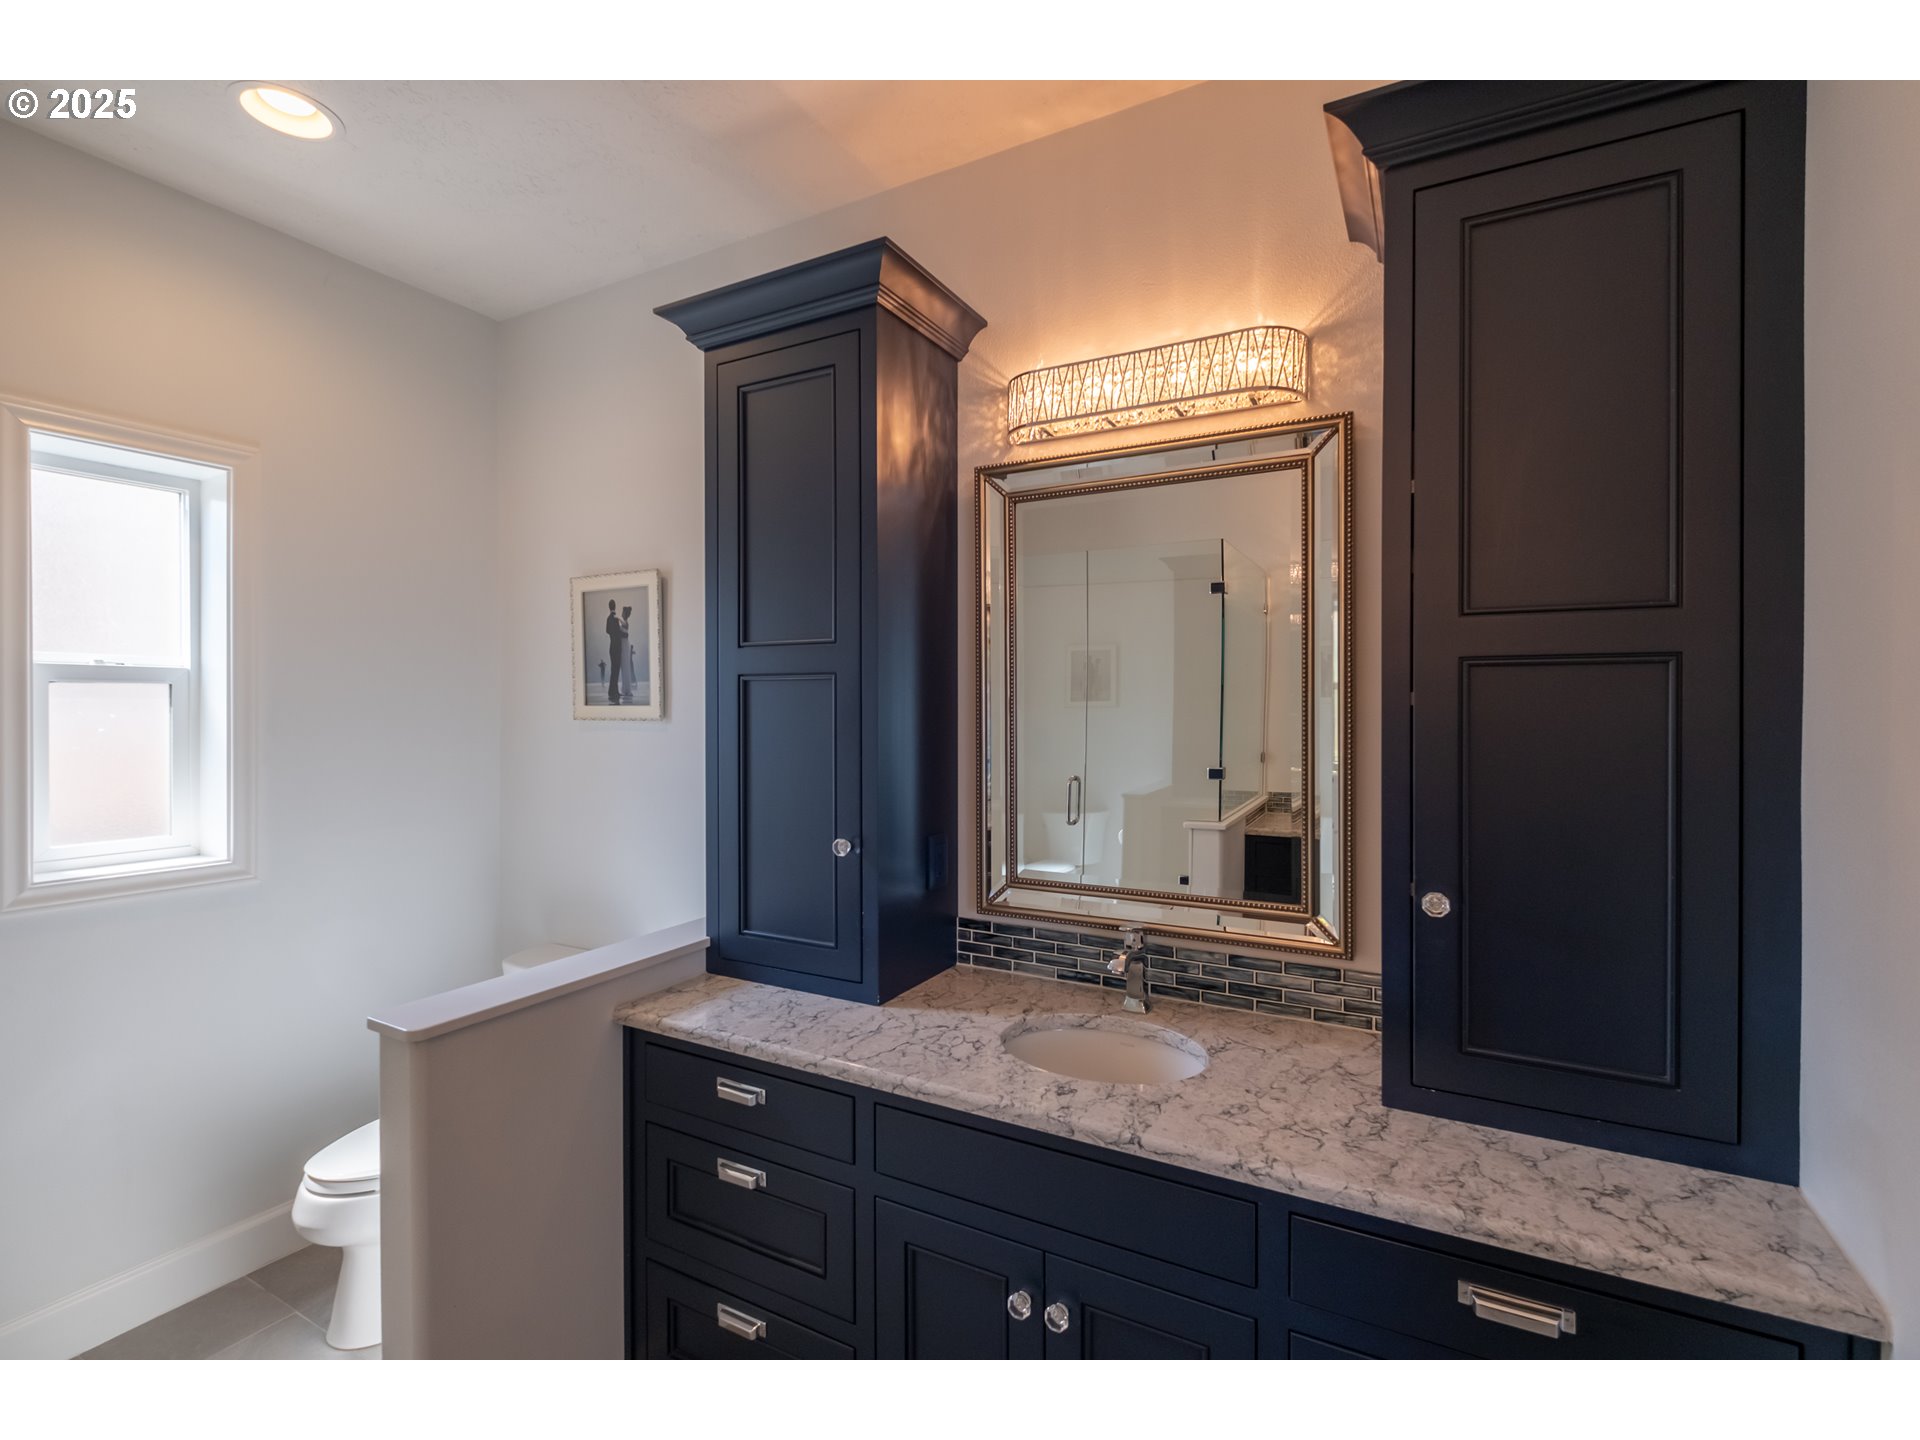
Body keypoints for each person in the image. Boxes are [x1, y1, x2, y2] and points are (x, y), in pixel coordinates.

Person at [605, 598, 629, 703]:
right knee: (616, 670)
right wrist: (625, 634)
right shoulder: (615, 619)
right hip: (617, 647)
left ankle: (612, 691)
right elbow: (618, 633)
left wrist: (613, 634)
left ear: (609, 607)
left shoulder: (608, 619)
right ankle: (613, 692)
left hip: (611, 647)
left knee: (613, 670)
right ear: (615, 606)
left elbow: (607, 631)